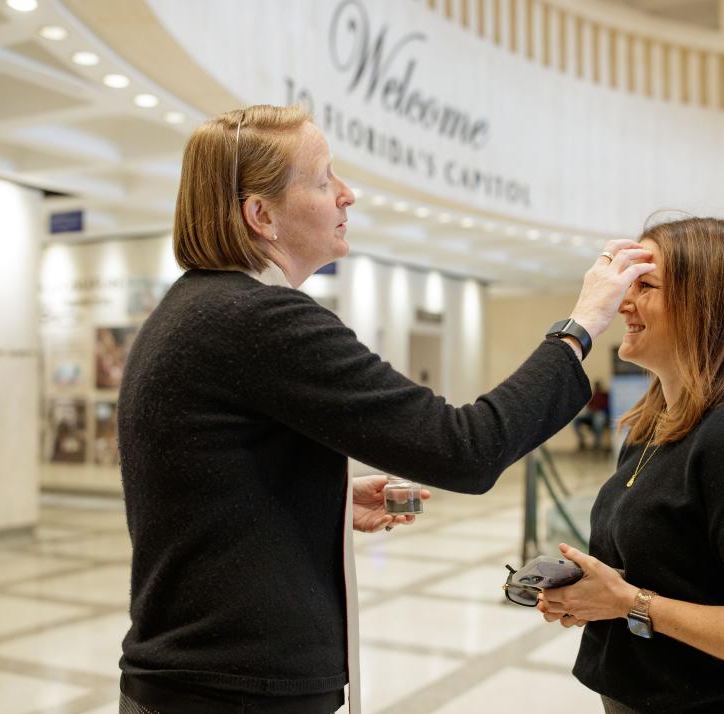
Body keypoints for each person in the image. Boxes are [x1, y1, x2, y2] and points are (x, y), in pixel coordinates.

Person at [115, 104, 656, 714]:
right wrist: (579, 328)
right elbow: (465, 448)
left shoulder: (193, 308)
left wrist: (326, 497)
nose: (348, 194)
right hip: (234, 691)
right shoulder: (258, 319)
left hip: (190, 683)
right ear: (260, 215)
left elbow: (197, 487)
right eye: (323, 180)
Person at [537, 218, 724, 714]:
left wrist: (629, 602)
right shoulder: (653, 426)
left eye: (643, 286)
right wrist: (593, 595)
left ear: (706, 306)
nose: (622, 301)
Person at [573, 379, 610, 450]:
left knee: (598, 419)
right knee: (576, 420)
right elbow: (589, 406)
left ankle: (597, 443)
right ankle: (581, 440)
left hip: (601, 414)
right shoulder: (593, 396)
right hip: (591, 414)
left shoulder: (605, 395)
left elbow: (607, 408)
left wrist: (598, 410)